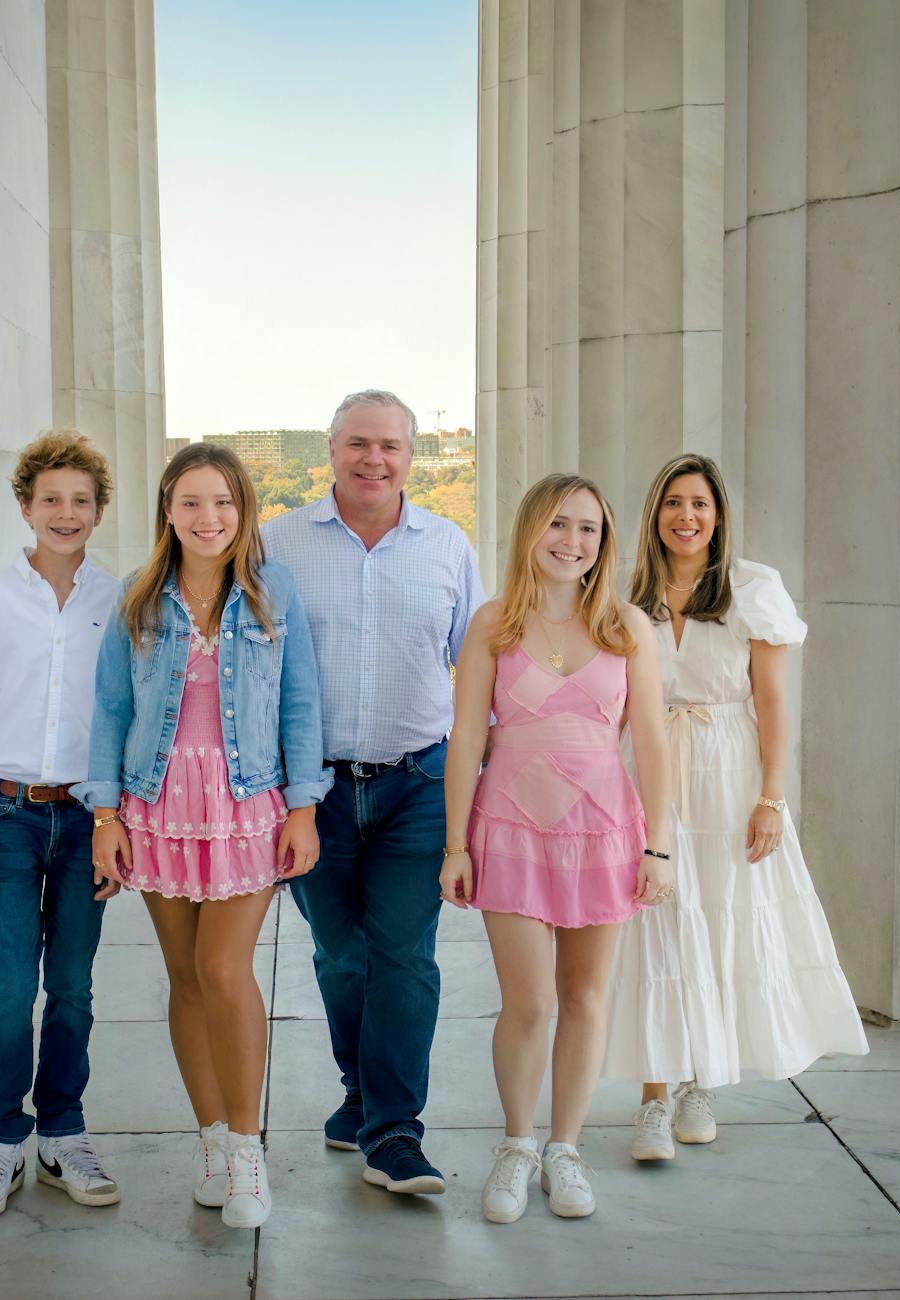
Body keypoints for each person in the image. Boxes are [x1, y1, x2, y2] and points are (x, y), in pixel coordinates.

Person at [79, 443, 329, 1230]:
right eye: (190, 502)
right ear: (167, 510)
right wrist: (105, 816)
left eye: (221, 502)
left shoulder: (271, 593)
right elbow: (109, 712)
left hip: (247, 802)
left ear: (241, 509)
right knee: (184, 977)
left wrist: (303, 805)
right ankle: (212, 1137)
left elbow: (301, 707)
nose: (207, 517)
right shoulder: (139, 599)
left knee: (224, 969)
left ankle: (250, 1153)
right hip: (156, 805)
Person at [603, 453, 868, 1161]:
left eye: (699, 504)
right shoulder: (628, 590)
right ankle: (652, 1099)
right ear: (653, 513)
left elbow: (774, 701)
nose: (685, 517)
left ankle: (699, 1080)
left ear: (717, 515)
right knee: (655, 924)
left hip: (727, 769)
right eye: (672, 503)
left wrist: (771, 799)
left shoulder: (752, 587)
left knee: (716, 919)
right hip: (646, 768)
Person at [262, 389, 483, 1196]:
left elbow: (478, 672)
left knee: (403, 956)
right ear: (330, 449)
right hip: (312, 792)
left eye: (389, 446)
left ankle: (393, 1130)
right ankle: (359, 1092)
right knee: (340, 955)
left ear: (410, 458)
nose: (373, 459)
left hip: (417, 784)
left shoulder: (447, 546)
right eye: (358, 443)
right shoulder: (276, 543)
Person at [441, 473, 675, 1222]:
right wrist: (455, 844)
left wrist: (659, 846)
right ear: (530, 530)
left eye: (588, 529)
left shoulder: (626, 626)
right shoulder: (492, 624)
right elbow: (467, 736)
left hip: (604, 830)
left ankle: (564, 1150)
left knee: (583, 996)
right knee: (529, 1000)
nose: (572, 542)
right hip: (507, 829)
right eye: (559, 524)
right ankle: (516, 1146)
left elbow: (651, 741)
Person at [0, 429, 124, 1219]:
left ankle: (63, 1135)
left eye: (80, 501)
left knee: (74, 988)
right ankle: (0, 1140)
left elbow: (125, 712)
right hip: (3, 814)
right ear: (25, 507)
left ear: (98, 512)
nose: (65, 512)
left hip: (86, 817)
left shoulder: (117, 600)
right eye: (50, 499)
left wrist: (120, 821)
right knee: (11, 986)